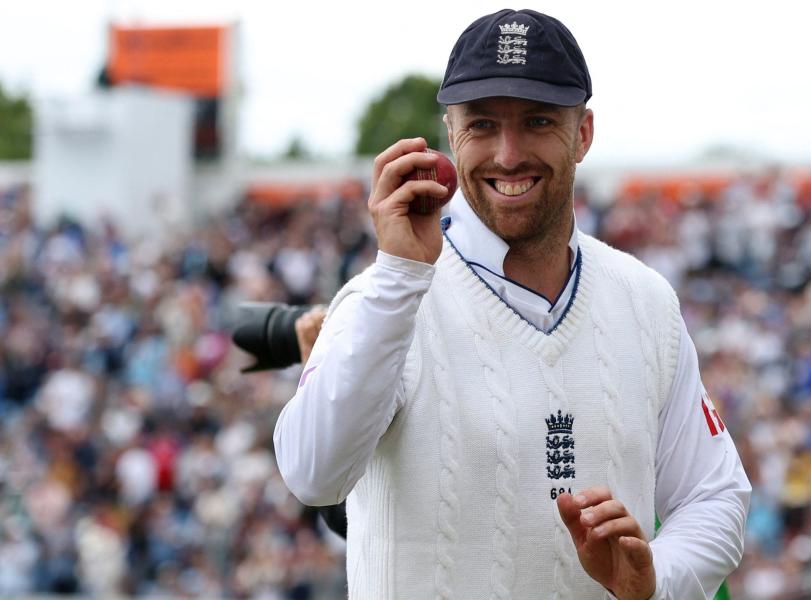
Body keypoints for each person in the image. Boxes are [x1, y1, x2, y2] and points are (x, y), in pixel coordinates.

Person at [274, 8, 751, 599]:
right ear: (451, 134)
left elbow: (716, 494)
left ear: (583, 134)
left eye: (537, 121)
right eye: (481, 126)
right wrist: (398, 277)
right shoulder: (385, 296)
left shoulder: (646, 301)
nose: (507, 154)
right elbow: (313, 475)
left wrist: (656, 578)